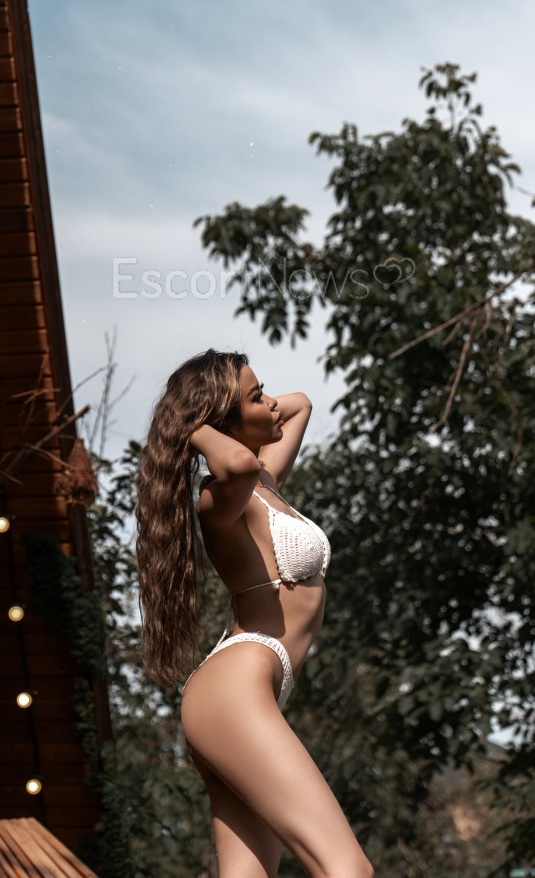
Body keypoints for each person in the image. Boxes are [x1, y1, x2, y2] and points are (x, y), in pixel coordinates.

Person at [136, 349, 373, 878]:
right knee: (347, 869)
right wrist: (190, 424)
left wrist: (246, 410)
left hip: (243, 693)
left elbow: (301, 404)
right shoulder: (219, 499)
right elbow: (237, 463)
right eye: (256, 395)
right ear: (220, 422)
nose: (271, 402)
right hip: (235, 688)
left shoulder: (264, 484)